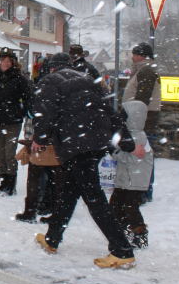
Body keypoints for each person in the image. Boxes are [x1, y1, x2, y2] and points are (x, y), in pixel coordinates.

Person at [31, 53, 136, 269]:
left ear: (52, 69)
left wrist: (39, 139)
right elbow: (111, 110)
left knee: (93, 197)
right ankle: (52, 238)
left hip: (76, 144)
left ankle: (122, 250)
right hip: (96, 142)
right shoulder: (88, 79)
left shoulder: (50, 82)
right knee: (67, 192)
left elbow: (45, 114)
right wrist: (125, 139)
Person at [0, 48, 32, 196]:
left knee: (9, 153)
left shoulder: (19, 79)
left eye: (8, 61)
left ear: (13, 63)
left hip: (13, 122)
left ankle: (11, 184)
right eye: (3, 60)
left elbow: (28, 99)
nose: (5, 63)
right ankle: (3, 182)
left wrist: (20, 111)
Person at [111, 100, 154, 248]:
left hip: (134, 181)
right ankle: (124, 233)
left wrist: (114, 152)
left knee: (130, 207)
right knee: (118, 206)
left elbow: (131, 158)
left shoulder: (137, 137)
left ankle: (139, 235)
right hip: (127, 179)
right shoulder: (131, 134)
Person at [123, 42, 161, 203]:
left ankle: (143, 192)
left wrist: (133, 119)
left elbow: (142, 99)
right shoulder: (143, 70)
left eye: (134, 54)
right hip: (142, 121)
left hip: (143, 122)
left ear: (141, 56)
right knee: (142, 155)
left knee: (143, 156)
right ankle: (140, 190)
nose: (132, 57)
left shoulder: (146, 71)